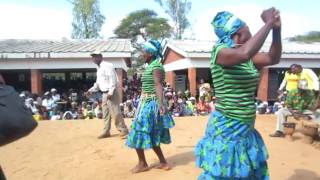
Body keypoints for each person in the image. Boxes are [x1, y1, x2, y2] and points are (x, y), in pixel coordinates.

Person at [195, 8, 282, 179]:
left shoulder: (248, 57)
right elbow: (243, 53)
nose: (250, 30)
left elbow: (273, 58)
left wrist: (276, 30)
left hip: (245, 126)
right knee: (226, 171)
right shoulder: (220, 51)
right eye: (247, 27)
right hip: (228, 125)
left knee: (245, 171)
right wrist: (268, 23)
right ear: (238, 32)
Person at [126, 40, 175, 173]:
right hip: (146, 102)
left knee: (138, 130)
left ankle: (143, 163)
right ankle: (163, 162)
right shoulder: (151, 66)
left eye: (144, 51)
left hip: (151, 104)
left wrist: (160, 105)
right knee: (151, 132)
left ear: (150, 53)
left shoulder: (156, 67)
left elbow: (158, 85)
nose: (142, 53)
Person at [87, 50, 129, 139]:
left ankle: (123, 130)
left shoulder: (108, 65)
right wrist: (91, 90)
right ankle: (106, 131)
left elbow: (113, 80)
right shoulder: (98, 68)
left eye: (96, 56)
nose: (94, 58)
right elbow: (98, 83)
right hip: (104, 93)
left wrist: (110, 92)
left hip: (111, 93)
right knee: (105, 113)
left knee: (115, 112)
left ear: (101, 57)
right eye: (93, 57)